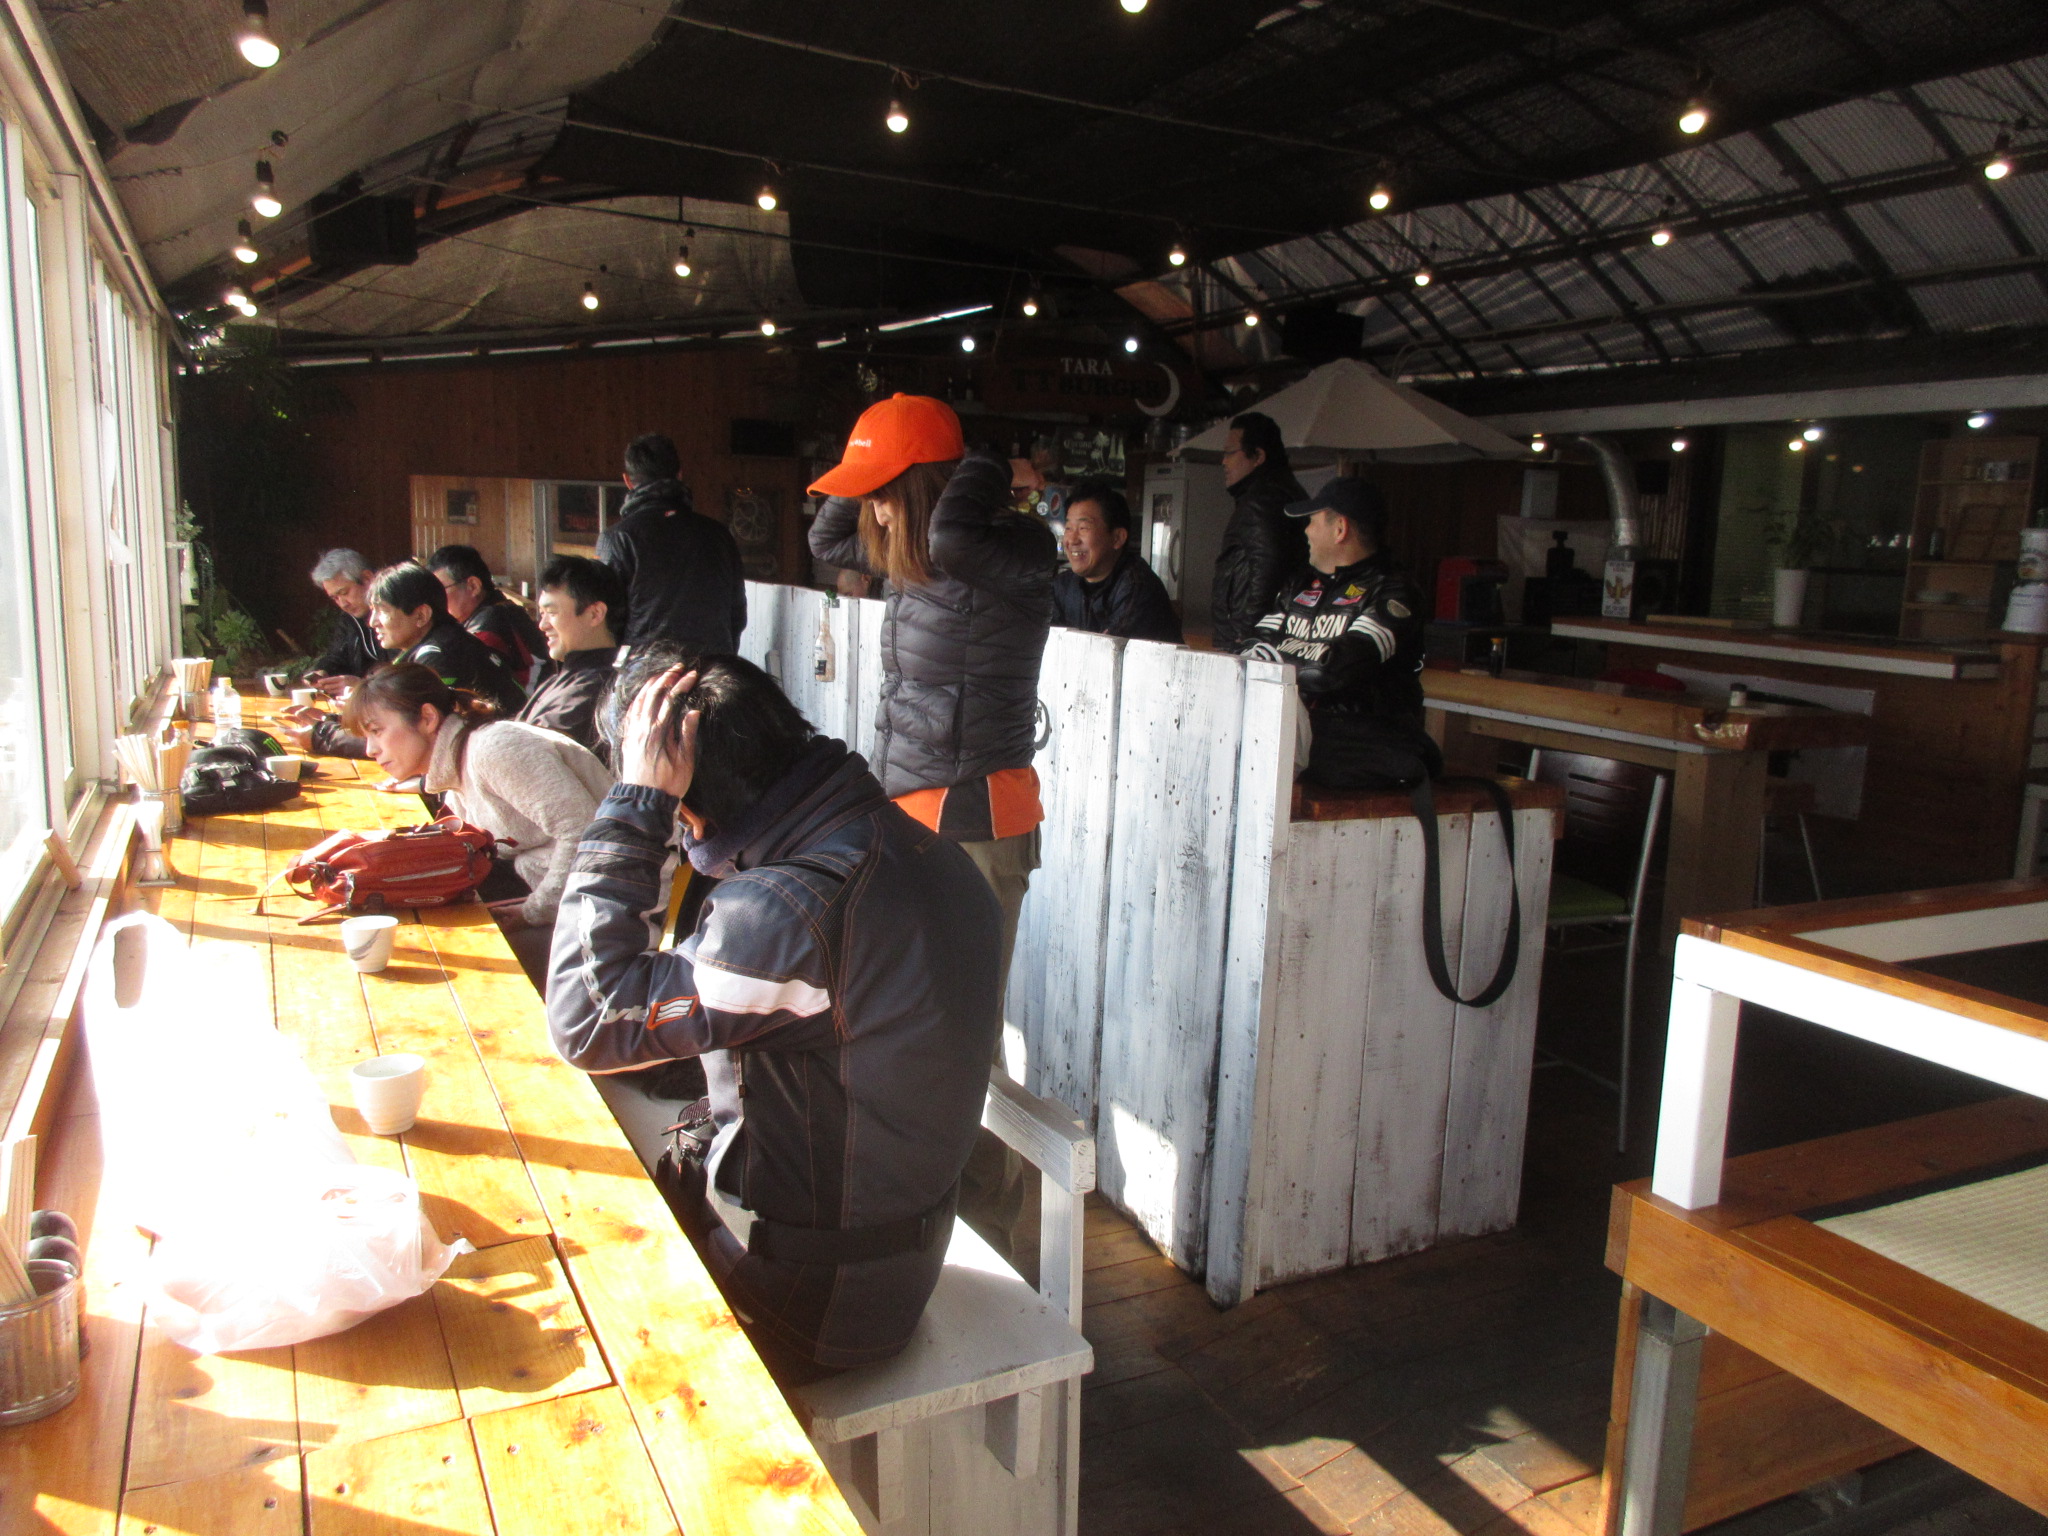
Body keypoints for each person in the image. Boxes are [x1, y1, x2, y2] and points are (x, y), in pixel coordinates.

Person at [547, 649, 1003, 1376]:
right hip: (884, 1251)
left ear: (680, 796)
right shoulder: (911, 843)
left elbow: (586, 1019)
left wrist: (633, 812)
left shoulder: (787, 911)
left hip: (814, 1306)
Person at [805, 394, 1054, 982]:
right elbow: (826, 540)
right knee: (905, 1010)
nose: (876, 513)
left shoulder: (1015, 544)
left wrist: (989, 464)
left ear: (925, 487)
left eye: (884, 492)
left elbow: (953, 539)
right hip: (905, 807)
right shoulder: (910, 549)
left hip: (974, 815)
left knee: (959, 1017)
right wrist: (866, 469)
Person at [344, 662, 611, 983]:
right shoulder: (458, 765)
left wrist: (533, 911)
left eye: (376, 731)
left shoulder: (495, 749)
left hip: (615, 910)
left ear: (427, 718)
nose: (370, 750)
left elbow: (587, 834)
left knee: (459, 965)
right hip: (569, 904)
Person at [1240, 478, 1436, 789]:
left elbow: (1329, 671)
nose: (1306, 531)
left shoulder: (1394, 590)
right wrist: (1301, 657)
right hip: (1309, 741)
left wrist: (1277, 656)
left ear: (1340, 528)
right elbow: (1250, 648)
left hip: (1368, 749)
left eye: (1312, 520)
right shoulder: (1299, 584)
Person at [288, 563, 524, 758]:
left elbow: (413, 739)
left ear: (421, 615)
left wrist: (322, 736)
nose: (372, 622)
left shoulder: (439, 656)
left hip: (502, 761)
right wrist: (335, 721)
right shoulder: (438, 643)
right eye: (372, 610)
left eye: (382, 610)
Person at [597, 432, 747, 654]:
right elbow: (737, 613)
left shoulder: (618, 538)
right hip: (714, 666)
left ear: (628, 481)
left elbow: (606, 619)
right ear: (679, 474)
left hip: (647, 667)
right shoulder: (719, 535)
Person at [1210, 410, 1308, 653]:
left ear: (1258, 456)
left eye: (1230, 453)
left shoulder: (1262, 500)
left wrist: (1245, 636)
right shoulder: (1282, 491)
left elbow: (1267, 570)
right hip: (1269, 638)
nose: (1223, 462)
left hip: (1249, 643)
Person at [1050, 479, 1182, 644]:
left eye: (1083, 528)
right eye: (1068, 528)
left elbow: (1109, 650)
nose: (1072, 539)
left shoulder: (1137, 587)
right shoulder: (1063, 586)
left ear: (1117, 538)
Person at [519, 555, 623, 757]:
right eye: (541, 613)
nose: (542, 625)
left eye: (552, 612)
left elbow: (531, 754)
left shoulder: (597, 687)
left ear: (595, 614)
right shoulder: (568, 676)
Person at [428, 544, 549, 687]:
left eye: (440, 590)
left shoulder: (489, 626)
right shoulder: (499, 608)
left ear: (473, 586)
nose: (435, 599)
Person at [303, 549, 385, 697]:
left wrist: (362, 685)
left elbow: (402, 670)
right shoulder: (349, 618)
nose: (343, 604)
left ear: (367, 579)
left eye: (344, 593)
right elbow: (337, 655)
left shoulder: (396, 615)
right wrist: (322, 672)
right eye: (335, 598)